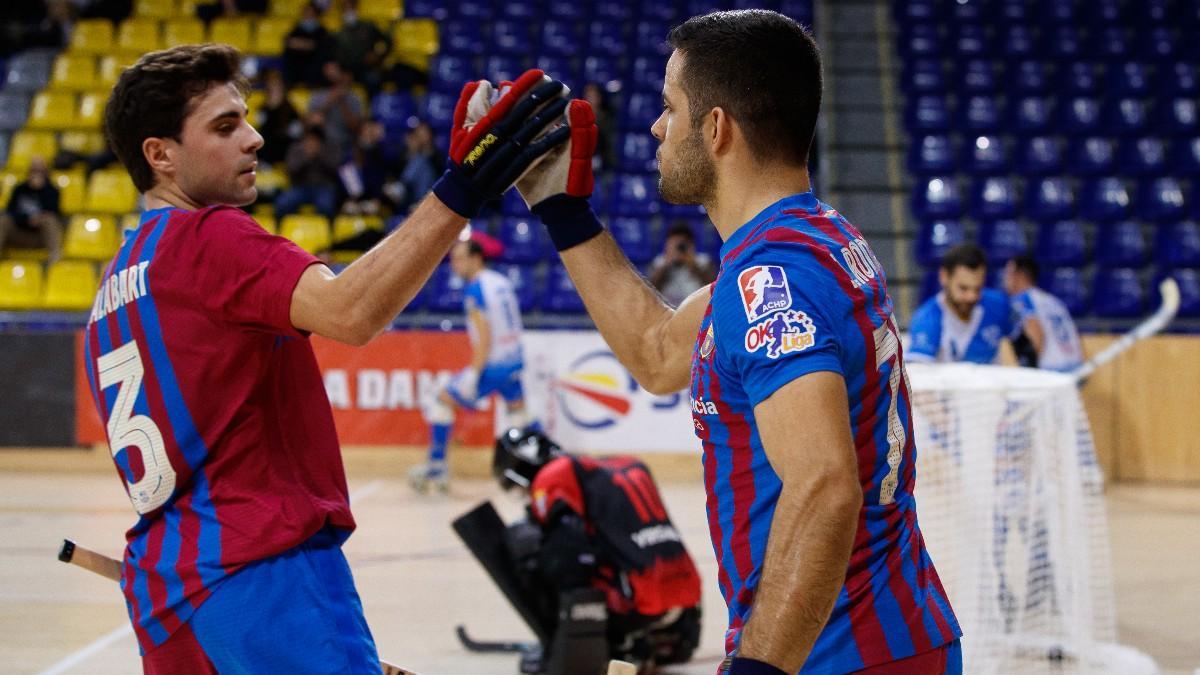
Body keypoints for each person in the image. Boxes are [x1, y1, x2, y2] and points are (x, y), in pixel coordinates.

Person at [500, 10, 962, 674]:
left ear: (715, 129)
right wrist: (559, 207)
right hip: (875, 636)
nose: (657, 126)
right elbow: (660, 352)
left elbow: (827, 484)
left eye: (669, 107)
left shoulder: (769, 282)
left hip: (838, 654)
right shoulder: (812, 240)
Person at [84, 43, 569, 671]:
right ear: (160, 155)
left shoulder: (113, 284)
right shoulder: (209, 236)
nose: (255, 139)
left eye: (247, 119)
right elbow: (350, 312)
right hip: (261, 570)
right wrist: (465, 183)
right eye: (226, 126)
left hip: (167, 588)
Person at [482, 426, 702, 671]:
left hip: (636, 601)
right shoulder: (623, 466)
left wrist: (566, 637)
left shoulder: (555, 476)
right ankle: (647, 639)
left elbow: (566, 557)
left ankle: (593, 641)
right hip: (685, 593)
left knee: (531, 545)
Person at [410, 234, 533, 492]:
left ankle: (437, 467)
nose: (454, 265)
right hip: (514, 358)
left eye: (459, 259)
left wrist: (473, 374)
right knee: (518, 414)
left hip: (494, 363)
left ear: (476, 258)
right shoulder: (500, 282)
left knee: (442, 401)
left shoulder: (475, 290)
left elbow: (484, 337)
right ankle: (537, 468)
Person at [908, 243, 1016, 364]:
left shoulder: (999, 305)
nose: (972, 296)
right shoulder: (927, 319)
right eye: (963, 288)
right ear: (944, 277)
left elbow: (1008, 347)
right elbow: (919, 373)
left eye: (978, 289)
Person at [1003, 253, 1084, 372]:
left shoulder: (1022, 299)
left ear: (1019, 275)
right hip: (1076, 366)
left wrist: (1031, 371)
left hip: (1053, 370)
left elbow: (1034, 332)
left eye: (1008, 273)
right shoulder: (1053, 301)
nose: (1005, 278)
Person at [0, 156, 62, 263]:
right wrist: (27, 218)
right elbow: (10, 211)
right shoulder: (19, 189)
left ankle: (55, 263)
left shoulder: (52, 190)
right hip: (19, 233)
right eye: (34, 170)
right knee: (4, 220)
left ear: (46, 171)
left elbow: (54, 212)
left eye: (40, 170)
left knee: (50, 220)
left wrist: (42, 189)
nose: (37, 173)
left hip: (40, 237)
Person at [275, 125, 341, 219]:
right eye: (309, 139)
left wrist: (320, 155)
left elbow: (335, 171)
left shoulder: (329, 150)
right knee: (282, 204)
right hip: (300, 186)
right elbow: (291, 170)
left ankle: (326, 231)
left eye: (315, 140)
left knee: (326, 207)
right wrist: (306, 157)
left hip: (323, 187)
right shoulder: (296, 149)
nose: (312, 143)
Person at [647, 221, 717, 306]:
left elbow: (714, 289)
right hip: (669, 312)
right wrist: (668, 263)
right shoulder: (659, 262)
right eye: (675, 244)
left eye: (682, 245)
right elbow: (650, 290)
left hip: (696, 311)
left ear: (691, 244)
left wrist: (692, 264)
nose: (679, 248)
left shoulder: (703, 261)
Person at [282, 2, 333, 88]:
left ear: (316, 15)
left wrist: (300, 44)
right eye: (306, 13)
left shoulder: (321, 30)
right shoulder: (297, 28)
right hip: (296, 67)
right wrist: (306, 44)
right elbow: (288, 41)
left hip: (313, 70)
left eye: (311, 13)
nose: (308, 15)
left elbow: (317, 45)